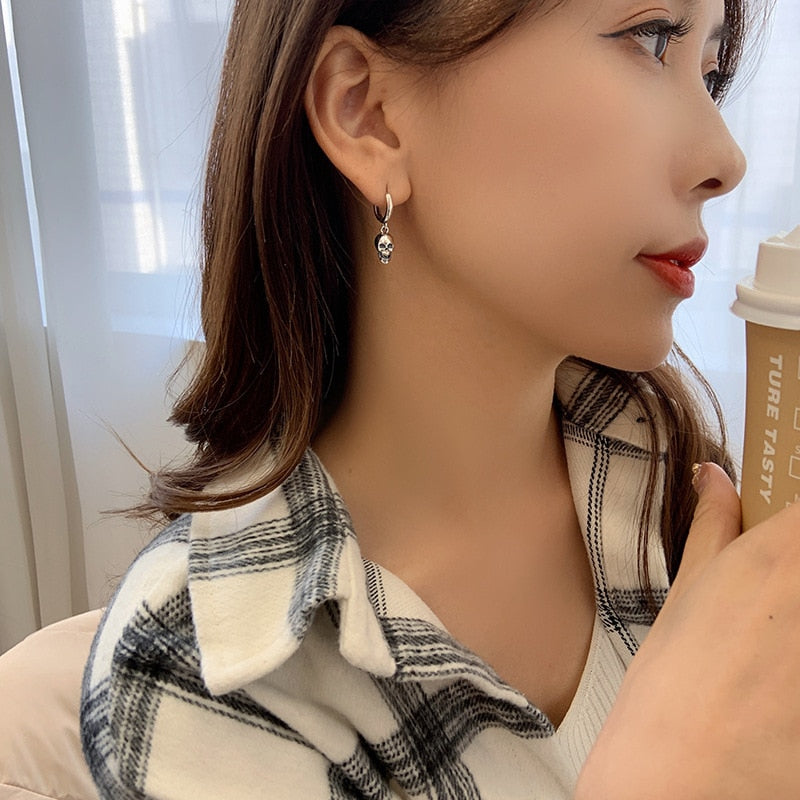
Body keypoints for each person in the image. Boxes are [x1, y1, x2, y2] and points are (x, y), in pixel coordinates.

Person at [80, 0, 800, 797]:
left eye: (711, 73)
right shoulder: (202, 672)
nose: (724, 159)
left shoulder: (685, 490)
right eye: (652, 38)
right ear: (369, 114)